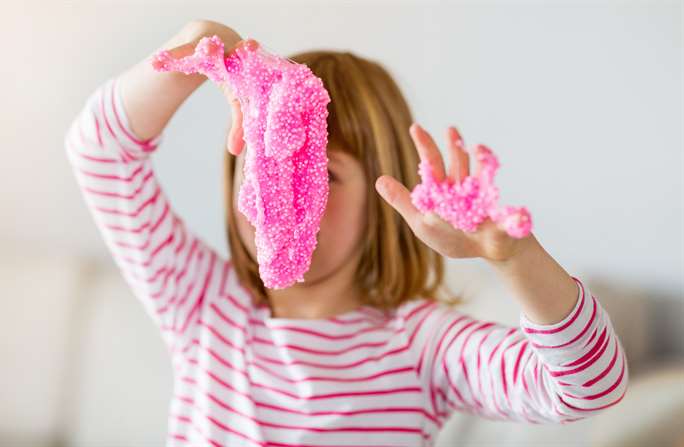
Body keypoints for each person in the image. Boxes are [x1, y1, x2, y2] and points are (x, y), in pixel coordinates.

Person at [64, 19, 628, 447]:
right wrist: (203, 43)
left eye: (323, 173)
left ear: (386, 198)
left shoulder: (420, 346)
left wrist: (511, 257)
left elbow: (588, 387)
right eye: (262, 158)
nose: (281, 188)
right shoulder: (204, 308)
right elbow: (100, 151)